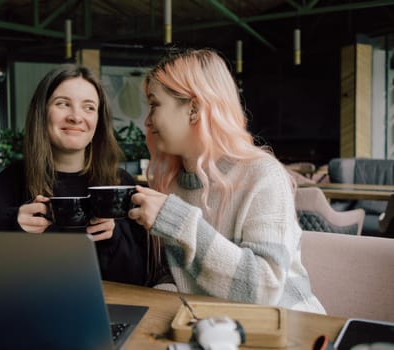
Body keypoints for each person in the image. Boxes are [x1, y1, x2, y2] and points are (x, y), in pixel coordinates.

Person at [128, 48, 326, 313]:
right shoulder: (174, 183)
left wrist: (177, 221)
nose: (147, 120)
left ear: (194, 109)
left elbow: (264, 291)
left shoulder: (263, 176)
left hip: (289, 327)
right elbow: (181, 275)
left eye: (154, 104)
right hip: (214, 325)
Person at [0, 64, 148, 286]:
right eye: (63, 104)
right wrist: (12, 224)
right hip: (31, 304)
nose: (76, 117)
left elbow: (140, 278)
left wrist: (113, 236)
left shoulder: (118, 185)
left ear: (98, 122)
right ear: (42, 113)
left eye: (89, 107)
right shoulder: (15, 179)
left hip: (109, 310)